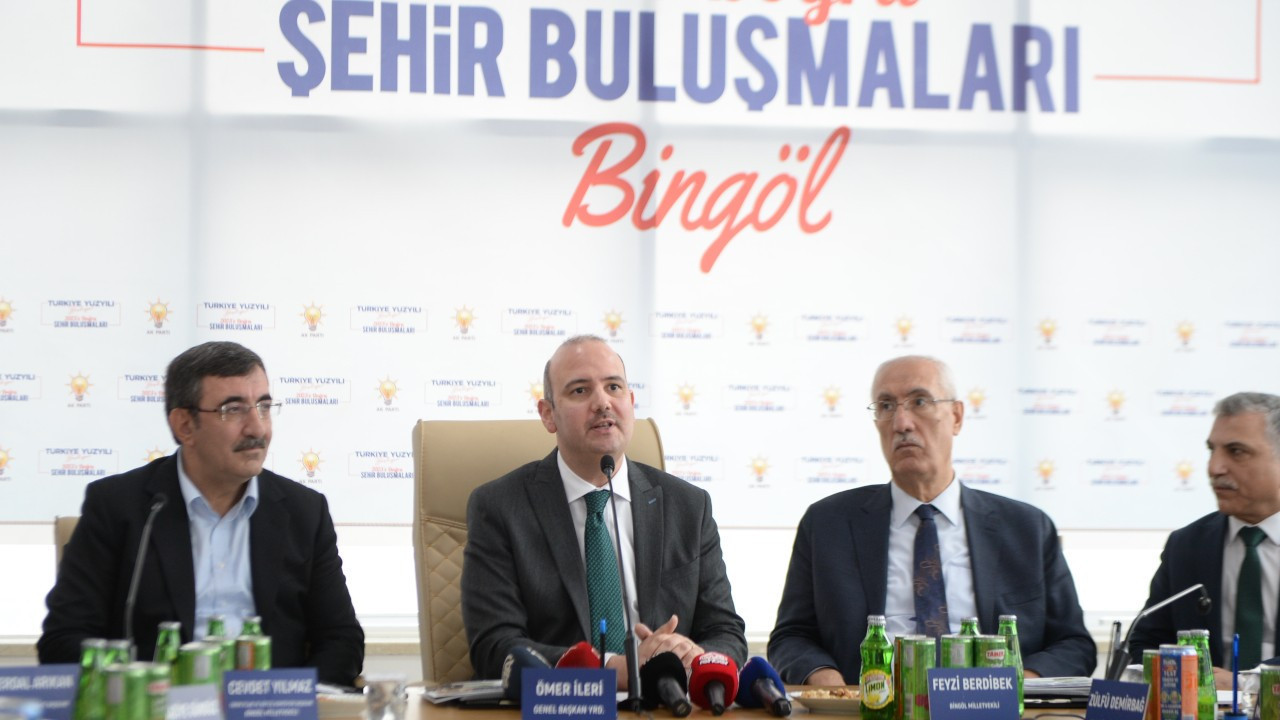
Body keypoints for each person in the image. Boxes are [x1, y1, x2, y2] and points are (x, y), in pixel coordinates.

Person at [38, 341, 364, 686]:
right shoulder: (119, 506)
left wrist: (289, 699)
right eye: (233, 410)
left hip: (268, 705)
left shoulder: (304, 511)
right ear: (185, 425)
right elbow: (64, 640)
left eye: (264, 407)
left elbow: (341, 640)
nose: (258, 429)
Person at [768, 355, 1096, 684]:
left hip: (990, 706)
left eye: (920, 402)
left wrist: (1017, 686)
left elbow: (1073, 644)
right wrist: (828, 683)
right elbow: (791, 637)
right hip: (869, 705)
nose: (901, 423)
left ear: (956, 417)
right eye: (886, 406)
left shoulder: (1026, 528)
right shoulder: (828, 525)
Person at [461, 335, 746, 686]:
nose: (602, 403)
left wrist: (693, 657)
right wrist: (614, 670)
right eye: (580, 391)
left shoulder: (688, 506)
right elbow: (494, 647)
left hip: (667, 702)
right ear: (548, 415)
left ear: (631, 402)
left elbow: (726, 633)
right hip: (561, 705)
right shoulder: (501, 507)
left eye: (614, 387)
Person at [1129, 392, 1280, 688]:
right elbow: (1147, 642)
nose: (1215, 468)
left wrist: (1245, 684)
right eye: (1212, 450)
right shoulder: (1187, 545)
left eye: (1236, 451)